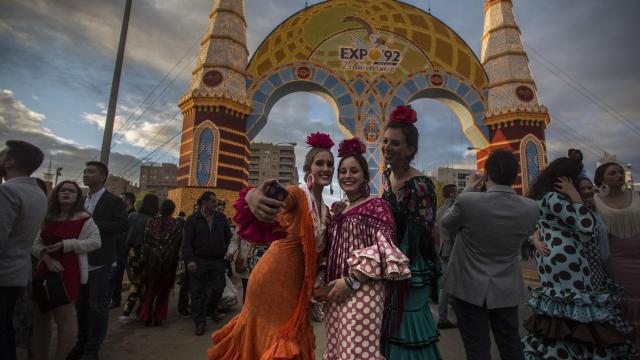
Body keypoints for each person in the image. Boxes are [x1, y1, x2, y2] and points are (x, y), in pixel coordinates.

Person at [209, 132, 334, 359]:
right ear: (309, 170)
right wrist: (253, 197)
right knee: (272, 343)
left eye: (330, 164)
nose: (326, 168)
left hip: (296, 288)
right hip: (271, 280)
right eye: (320, 163)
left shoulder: (325, 210)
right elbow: (273, 196)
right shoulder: (297, 194)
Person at [522, 157, 635, 358]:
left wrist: (536, 238)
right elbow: (585, 227)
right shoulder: (555, 199)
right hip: (567, 258)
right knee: (574, 305)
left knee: (561, 307)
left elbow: (540, 227)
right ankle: (571, 350)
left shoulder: (543, 197)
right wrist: (574, 195)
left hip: (554, 258)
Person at [442, 150, 539, 360]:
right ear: (515, 177)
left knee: (477, 348)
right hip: (506, 288)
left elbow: (446, 223)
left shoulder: (468, 202)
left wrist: (467, 190)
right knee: (511, 344)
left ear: (486, 176)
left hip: (468, 289)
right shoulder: (531, 208)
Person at [322, 137, 411, 359]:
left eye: (354, 171)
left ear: (364, 177)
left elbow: (384, 250)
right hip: (336, 291)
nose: (347, 176)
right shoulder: (338, 211)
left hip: (363, 289)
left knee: (357, 352)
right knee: (338, 350)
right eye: (342, 171)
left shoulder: (377, 206)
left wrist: (350, 281)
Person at [379, 105, 441, 359]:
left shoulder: (421, 185)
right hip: (389, 266)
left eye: (395, 143)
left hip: (411, 271)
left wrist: (392, 264)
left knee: (408, 329)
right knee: (390, 329)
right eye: (384, 141)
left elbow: (420, 236)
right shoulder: (387, 177)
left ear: (410, 150)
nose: (386, 147)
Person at [30, 181, 101, 360]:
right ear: (57, 194)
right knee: (40, 318)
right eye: (63, 190)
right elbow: (35, 243)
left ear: (78, 196)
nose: (67, 193)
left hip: (68, 270)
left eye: (72, 191)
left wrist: (67, 244)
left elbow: (95, 242)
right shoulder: (48, 216)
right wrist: (45, 255)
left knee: (64, 320)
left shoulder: (84, 217)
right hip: (45, 268)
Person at [68, 161, 128, 360]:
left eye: (91, 172)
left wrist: (92, 225)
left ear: (103, 177)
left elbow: (122, 224)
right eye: (85, 171)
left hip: (101, 262)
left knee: (97, 307)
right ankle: (82, 343)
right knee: (81, 306)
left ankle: (92, 349)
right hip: (80, 261)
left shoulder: (113, 201)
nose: (86, 175)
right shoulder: (80, 201)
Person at [0, 140, 47, 360]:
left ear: (10, 162)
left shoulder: (8, 190)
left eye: (2, 155)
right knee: (6, 331)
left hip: (3, 273)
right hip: (18, 273)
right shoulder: (37, 192)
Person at [594, 160, 640, 346]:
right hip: (615, 262)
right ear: (602, 179)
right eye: (612, 173)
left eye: (620, 172)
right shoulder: (595, 202)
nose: (618, 176)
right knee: (622, 306)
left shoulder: (636, 196)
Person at [183, 191, 232, 336]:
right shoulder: (192, 220)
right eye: (212, 201)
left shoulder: (221, 218)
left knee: (219, 287)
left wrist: (227, 252)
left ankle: (211, 310)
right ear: (204, 203)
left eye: (216, 201)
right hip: (198, 261)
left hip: (217, 260)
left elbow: (228, 237)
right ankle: (200, 322)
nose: (216, 204)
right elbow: (187, 242)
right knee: (197, 292)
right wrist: (189, 260)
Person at [137, 199, 182, 326]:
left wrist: (147, 257)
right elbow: (176, 244)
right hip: (169, 262)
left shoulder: (151, 222)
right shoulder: (176, 224)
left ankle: (146, 315)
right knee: (164, 290)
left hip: (152, 260)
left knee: (150, 289)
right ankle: (158, 316)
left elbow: (146, 242)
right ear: (173, 210)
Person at [119, 193, 159, 322]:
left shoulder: (132, 216)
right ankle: (140, 312)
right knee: (145, 284)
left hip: (132, 254)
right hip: (147, 255)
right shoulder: (153, 220)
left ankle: (129, 312)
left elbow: (125, 234)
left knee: (136, 282)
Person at [436, 184, 458, 329]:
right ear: (451, 194)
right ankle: (443, 317)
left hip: (444, 249)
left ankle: (449, 309)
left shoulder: (439, 210)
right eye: (456, 192)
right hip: (452, 249)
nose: (458, 194)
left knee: (447, 282)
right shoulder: (453, 210)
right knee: (447, 284)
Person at [109, 191, 136, 310]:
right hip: (119, 250)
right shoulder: (121, 214)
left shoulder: (134, 215)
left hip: (130, 252)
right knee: (115, 277)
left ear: (128, 201)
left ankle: (131, 304)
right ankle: (115, 300)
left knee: (133, 278)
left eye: (122, 199)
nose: (120, 201)